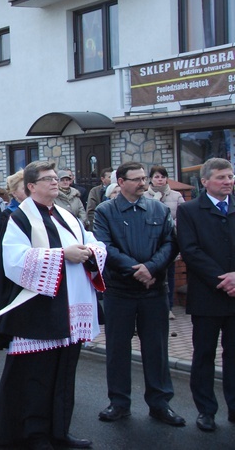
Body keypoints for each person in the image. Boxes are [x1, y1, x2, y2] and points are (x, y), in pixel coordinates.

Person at [0, 161, 106, 450]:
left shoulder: (68, 215)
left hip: (70, 306)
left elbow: (95, 243)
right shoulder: (20, 218)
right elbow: (14, 260)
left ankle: (60, 430)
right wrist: (61, 255)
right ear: (31, 186)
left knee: (64, 374)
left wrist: (91, 252)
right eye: (48, 179)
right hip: (38, 308)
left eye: (57, 178)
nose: (56, 182)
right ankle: (33, 433)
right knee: (35, 376)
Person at [93, 161, 184, 427]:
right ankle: (119, 403)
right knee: (118, 348)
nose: (143, 183)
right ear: (120, 182)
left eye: (144, 178)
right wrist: (136, 270)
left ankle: (160, 403)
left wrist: (152, 268)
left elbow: (170, 243)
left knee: (156, 349)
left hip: (154, 291)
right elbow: (104, 246)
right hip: (120, 291)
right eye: (137, 179)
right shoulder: (105, 211)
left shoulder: (158, 208)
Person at [176, 157, 235, 432]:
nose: (228, 182)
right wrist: (221, 279)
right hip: (207, 296)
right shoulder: (189, 211)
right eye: (222, 177)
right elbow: (190, 250)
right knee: (204, 355)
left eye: (230, 177)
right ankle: (206, 411)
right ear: (205, 182)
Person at [144, 165, 185, 317]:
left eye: (162, 177)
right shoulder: (145, 196)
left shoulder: (176, 195)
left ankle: (168, 307)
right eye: (156, 177)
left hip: (171, 241)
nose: (160, 180)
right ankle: (152, 306)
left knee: (170, 275)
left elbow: (183, 217)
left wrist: (172, 227)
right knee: (153, 272)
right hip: (151, 243)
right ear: (151, 179)